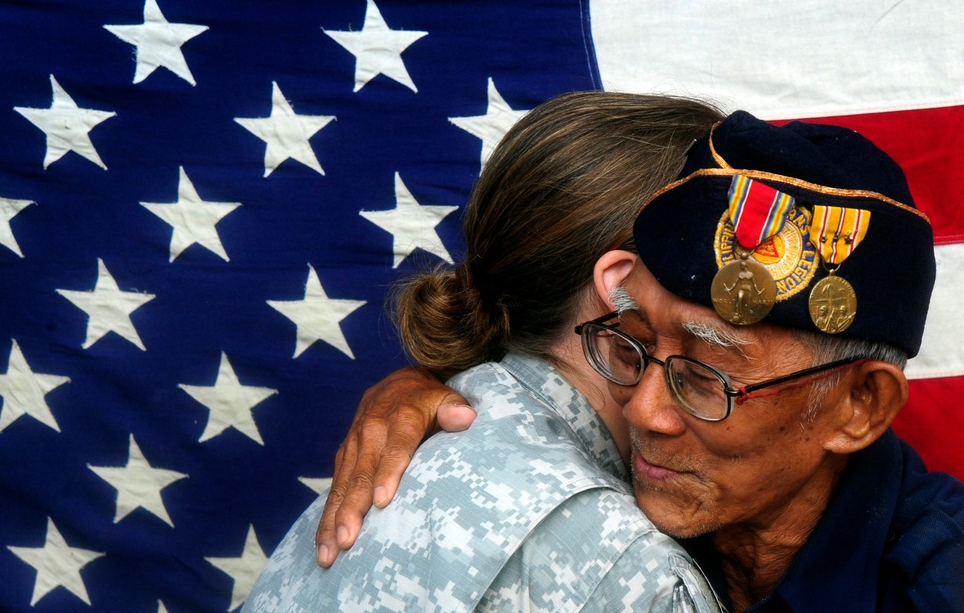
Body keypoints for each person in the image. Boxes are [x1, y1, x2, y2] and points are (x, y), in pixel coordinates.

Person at [317, 111, 964, 612]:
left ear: (859, 406)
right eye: (631, 342)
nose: (644, 411)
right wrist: (425, 386)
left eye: (704, 377)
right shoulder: (623, 507)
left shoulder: (939, 583)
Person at [244, 92, 726, 612]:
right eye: (726, 258)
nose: (746, 293)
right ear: (623, 285)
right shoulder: (630, 571)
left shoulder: (413, 455)